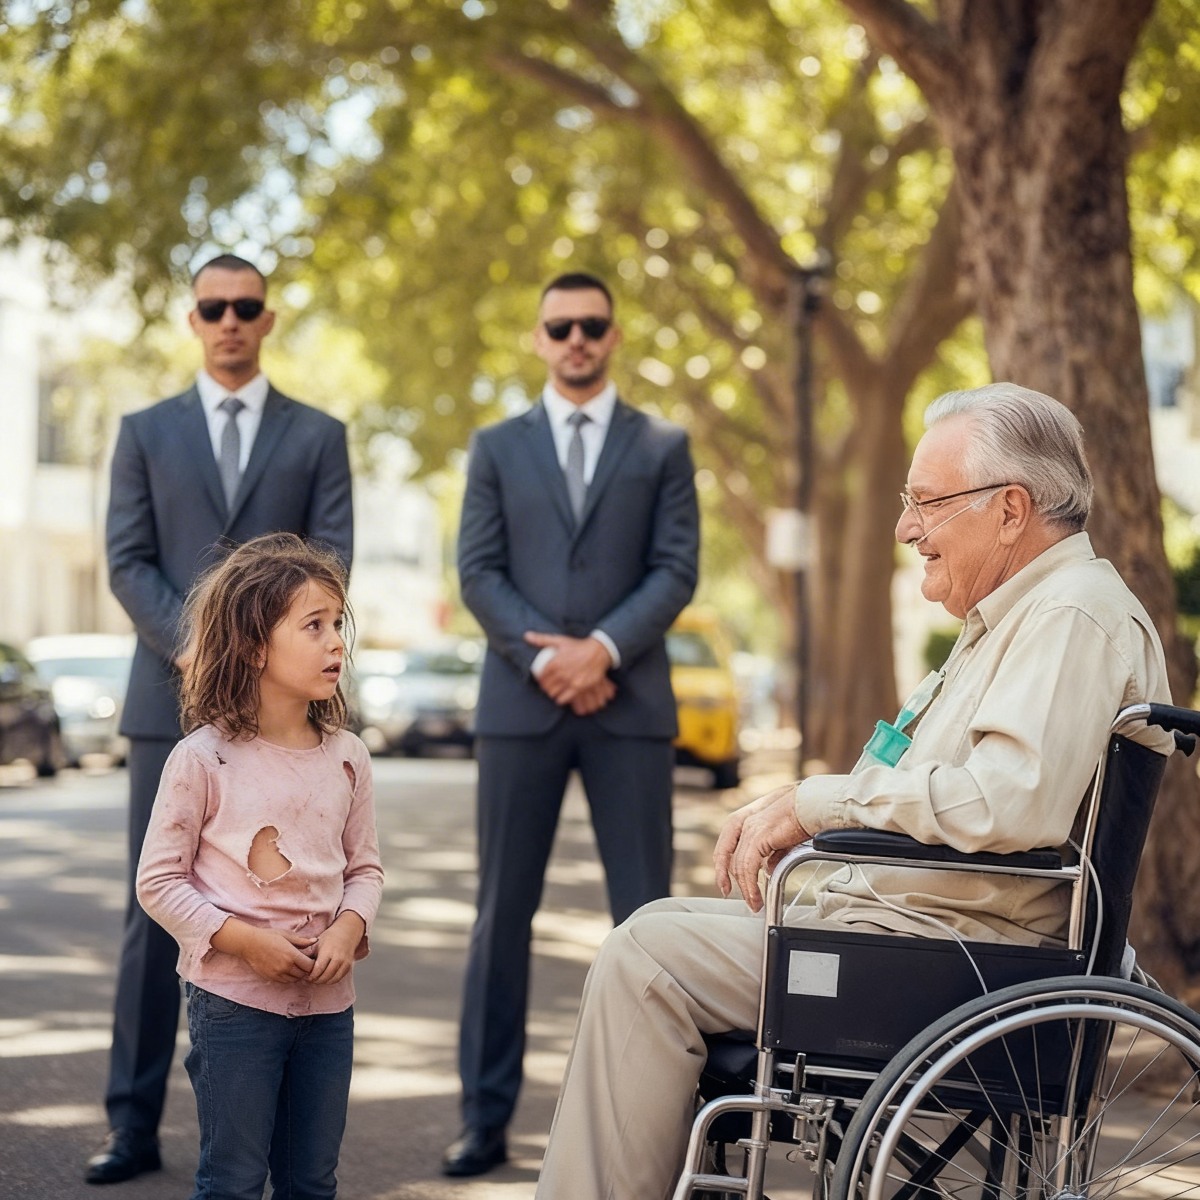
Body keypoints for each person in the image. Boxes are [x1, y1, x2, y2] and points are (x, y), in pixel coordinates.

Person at [534, 382, 1175, 1200]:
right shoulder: (1016, 620)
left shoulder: (1071, 616)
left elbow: (1009, 802)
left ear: (1011, 509)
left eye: (928, 502)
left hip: (961, 958)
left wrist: (817, 805)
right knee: (656, 923)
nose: (908, 527)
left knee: (646, 960)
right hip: (925, 931)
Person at [86, 253, 354, 1186]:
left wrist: (277, 643)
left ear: (266, 319)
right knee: (153, 905)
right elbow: (126, 559)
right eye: (214, 307)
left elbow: (331, 558)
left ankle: (269, 1112)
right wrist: (198, 643)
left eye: (246, 306)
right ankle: (131, 1122)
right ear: (194, 319)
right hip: (171, 698)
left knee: (273, 898)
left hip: (288, 717)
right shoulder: (144, 431)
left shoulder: (317, 434)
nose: (230, 320)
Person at [445, 271, 700, 1176]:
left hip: (629, 710)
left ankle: (668, 1131)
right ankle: (483, 1118)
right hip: (521, 707)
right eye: (562, 326)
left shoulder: (662, 443)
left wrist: (602, 650)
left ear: (613, 335)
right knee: (499, 915)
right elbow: (476, 572)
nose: (577, 339)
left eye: (592, 325)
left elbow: (677, 570)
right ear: (540, 337)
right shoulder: (495, 446)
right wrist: (550, 659)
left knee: (650, 924)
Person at [135, 532, 383, 1199]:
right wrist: (245, 943)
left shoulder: (348, 756)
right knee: (234, 1181)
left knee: (312, 1181)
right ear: (252, 645)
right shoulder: (202, 758)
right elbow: (158, 882)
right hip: (234, 1006)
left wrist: (344, 931)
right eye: (313, 626)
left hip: (330, 1008)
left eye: (337, 624)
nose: (336, 641)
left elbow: (366, 871)